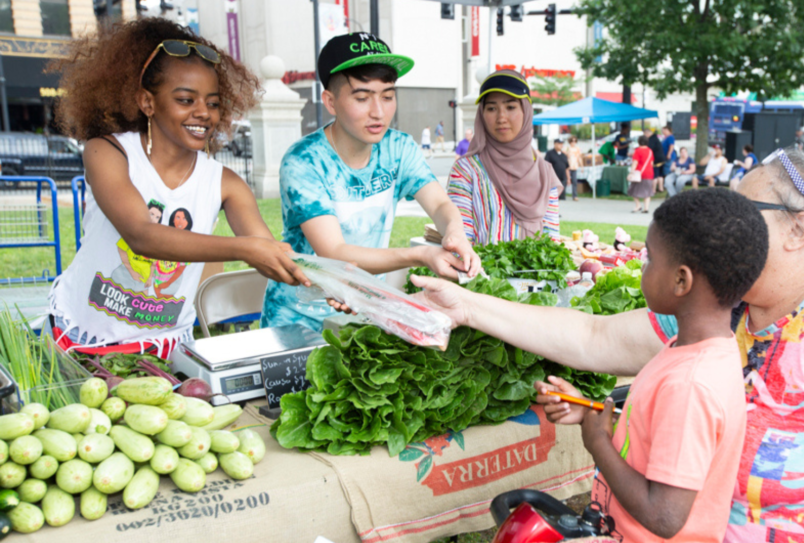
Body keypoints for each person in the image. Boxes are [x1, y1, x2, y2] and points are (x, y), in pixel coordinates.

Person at [410, 148, 804, 543]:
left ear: (798, 229)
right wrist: (465, 304)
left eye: (743, 208)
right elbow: (591, 335)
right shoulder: (726, 310)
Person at [536, 189, 769, 543]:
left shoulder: (691, 385)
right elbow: (658, 432)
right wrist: (593, 412)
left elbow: (664, 515)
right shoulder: (699, 349)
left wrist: (597, 443)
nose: (643, 267)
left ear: (681, 281)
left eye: (649, 259)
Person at [45, 18, 310, 358]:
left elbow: (268, 253)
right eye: (186, 100)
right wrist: (246, 248)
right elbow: (141, 235)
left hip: (164, 347)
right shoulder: (108, 152)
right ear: (147, 102)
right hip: (84, 337)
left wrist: (328, 286)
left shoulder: (226, 183)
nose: (204, 113)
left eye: (213, 103)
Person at [261, 32, 479, 332]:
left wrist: (455, 233)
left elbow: (440, 203)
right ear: (331, 101)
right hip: (298, 319)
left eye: (387, 96)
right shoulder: (304, 161)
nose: (378, 111)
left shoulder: (398, 148)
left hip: (362, 310)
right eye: (362, 98)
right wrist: (421, 254)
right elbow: (334, 252)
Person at [445, 70, 561, 246]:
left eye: (511, 107)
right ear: (482, 115)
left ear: (526, 111)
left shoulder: (544, 172)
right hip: (480, 272)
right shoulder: (466, 170)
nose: (501, 118)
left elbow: (552, 241)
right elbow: (460, 242)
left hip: (536, 273)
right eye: (491, 108)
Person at [628, 135, 655, 213]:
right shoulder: (650, 151)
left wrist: (631, 173)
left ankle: (638, 205)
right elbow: (652, 163)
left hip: (639, 174)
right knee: (647, 191)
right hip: (649, 173)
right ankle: (646, 208)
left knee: (632, 190)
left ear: (639, 142)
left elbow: (635, 163)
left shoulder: (637, 151)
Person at [645, 127, 667, 193]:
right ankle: (661, 188)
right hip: (662, 159)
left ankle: (653, 190)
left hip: (656, 160)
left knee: (655, 176)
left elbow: (649, 149)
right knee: (660, 175)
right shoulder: (656, 138)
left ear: (647, 133)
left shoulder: (651, 140)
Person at [566, 135, 583, 202]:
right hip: (567, 166)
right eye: (572, 141)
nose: (573, 142)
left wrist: (582, 166)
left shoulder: (577, 149)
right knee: (565, 180)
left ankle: (575, 195)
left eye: (575, 141)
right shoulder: (567, 148)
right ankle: (562, 195)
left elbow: (579, 158)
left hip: (574, 166)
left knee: (574, 181)